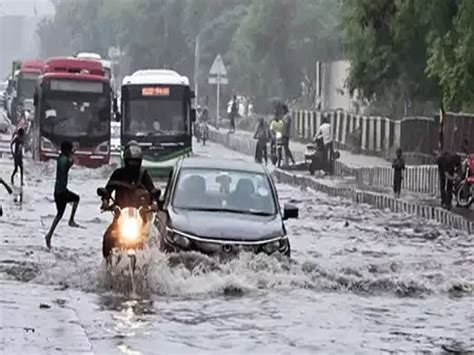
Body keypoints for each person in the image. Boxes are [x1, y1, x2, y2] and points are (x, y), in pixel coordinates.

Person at [100, 141, 159, 258]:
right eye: (131, 161)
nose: (133, 164)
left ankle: (152, 265)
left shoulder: (143, 175)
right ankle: (108, 266)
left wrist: (154, 203)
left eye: (136, 162)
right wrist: (105, 202)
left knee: (152, 239)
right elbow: (107, 190)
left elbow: (152, 191)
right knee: (108, 238)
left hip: (141, 215)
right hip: (120, 215)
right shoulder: (118, 174)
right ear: (126, 161)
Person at [45, 141, 80, 249]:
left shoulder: (60, 158)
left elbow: (66, 167)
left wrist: (72, 155)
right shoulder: (64, 160)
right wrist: (73, 156)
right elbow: (67, 165)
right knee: (76, 198)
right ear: (67, 150)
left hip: (58, 191)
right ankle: (71, 220)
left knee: (59, 215)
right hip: (62, 191)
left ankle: (49, 235)